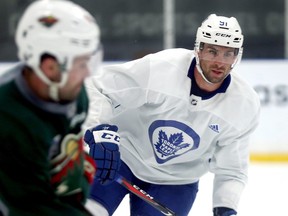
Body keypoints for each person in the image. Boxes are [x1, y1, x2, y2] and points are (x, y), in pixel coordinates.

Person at [83, 14, 261, 216]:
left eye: (228, 54)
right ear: (198, 49)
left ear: (237, 55)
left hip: (175, 182)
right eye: (212, 51)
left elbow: (232, 169)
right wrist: (99, 131)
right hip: (120, 158)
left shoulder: (243, 104)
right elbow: (97, 88)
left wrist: (226, 207)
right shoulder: (162, 68)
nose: (220, 62)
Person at [0, 0, 105, 215]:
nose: (88, 74)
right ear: (50, 67)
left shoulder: (73, 93)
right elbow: (30, 206)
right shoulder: (9, 119)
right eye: (82, 64)